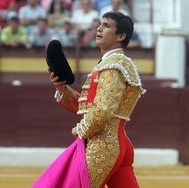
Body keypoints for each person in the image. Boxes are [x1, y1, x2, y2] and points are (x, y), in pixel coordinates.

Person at [32, 11, 145, 188]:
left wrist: (81, 129)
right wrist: (62, 89)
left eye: (106, 26)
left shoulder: (113, 66)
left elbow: (103, 110)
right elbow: (91, 108)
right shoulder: (115, 64)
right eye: (100, 24)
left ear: (121, 36)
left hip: (102, 146)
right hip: (118, 144)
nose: (99, 29)